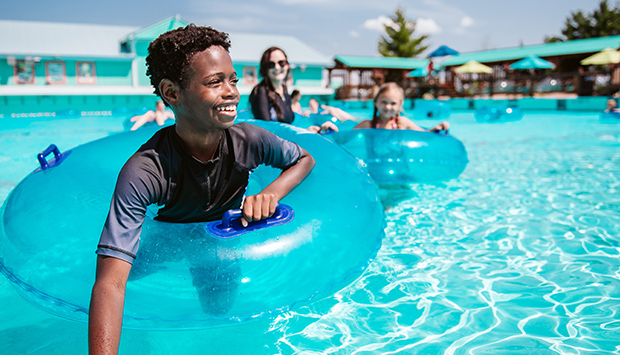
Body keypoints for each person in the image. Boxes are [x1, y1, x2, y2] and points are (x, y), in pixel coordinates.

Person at [88, 25, 315, 354]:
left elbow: (303, 160)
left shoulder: (248, 141)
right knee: (114, 276)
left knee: (217, 311)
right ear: (172, 93)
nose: (232, 92)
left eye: (233, 79)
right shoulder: (147, 170)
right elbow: (111, 283)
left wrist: (273, 193)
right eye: (214, 82)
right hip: (169, 241)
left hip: (218, 237)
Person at [249, 47, 337, 133]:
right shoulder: (261, 91)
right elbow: (265, 130)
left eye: (281, 63)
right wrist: (303, 132)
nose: (277, 67)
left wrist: (310, 129)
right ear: (265, 68)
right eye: (271, 64)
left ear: (287, 65)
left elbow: (289, 123)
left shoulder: (284, 90)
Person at [354, 82, 449, 132]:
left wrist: (436, 128)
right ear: (375, 102)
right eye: (384, 102)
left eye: (393, 103)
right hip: (374, 168)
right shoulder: (367, 125)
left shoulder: (403, 123)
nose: (388, 106)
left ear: (400, 105)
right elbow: (344, 139)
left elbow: (424, 134)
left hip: (400, 168)